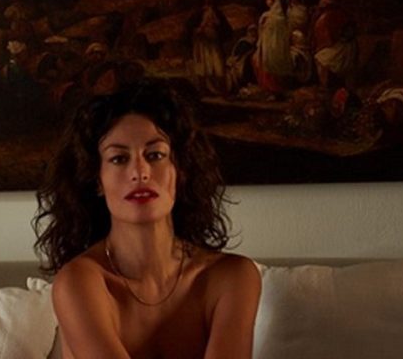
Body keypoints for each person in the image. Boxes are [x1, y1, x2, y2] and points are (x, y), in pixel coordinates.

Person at [33, 80, 261, 358]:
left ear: (180, 170)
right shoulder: (80, 282)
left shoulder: (231, 277)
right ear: (97, 180)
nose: (140, 172)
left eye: (155, 155)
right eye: (119, 159)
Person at [188, 0, 233, 96]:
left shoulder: (216, 12)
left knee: (217, 64)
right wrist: (198, 30)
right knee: (202, 64)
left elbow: (224, 27)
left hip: (213, 41)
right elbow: (190, 26)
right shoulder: (198, 12)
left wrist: (215, 25)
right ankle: (203, 89)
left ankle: (221, 90)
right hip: (201, 42)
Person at [252, 0, 293, 96]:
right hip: (265, 43)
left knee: (273, 64)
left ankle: (275, 90)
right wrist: (262, 24)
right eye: (266, 0)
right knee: (260, 62)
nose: (267, 2)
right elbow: (262, 29)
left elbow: (281, 33)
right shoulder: (266, 14)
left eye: (269, 0)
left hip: (275, 44)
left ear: (274, 2)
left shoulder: (280, 17)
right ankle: (266, 88)